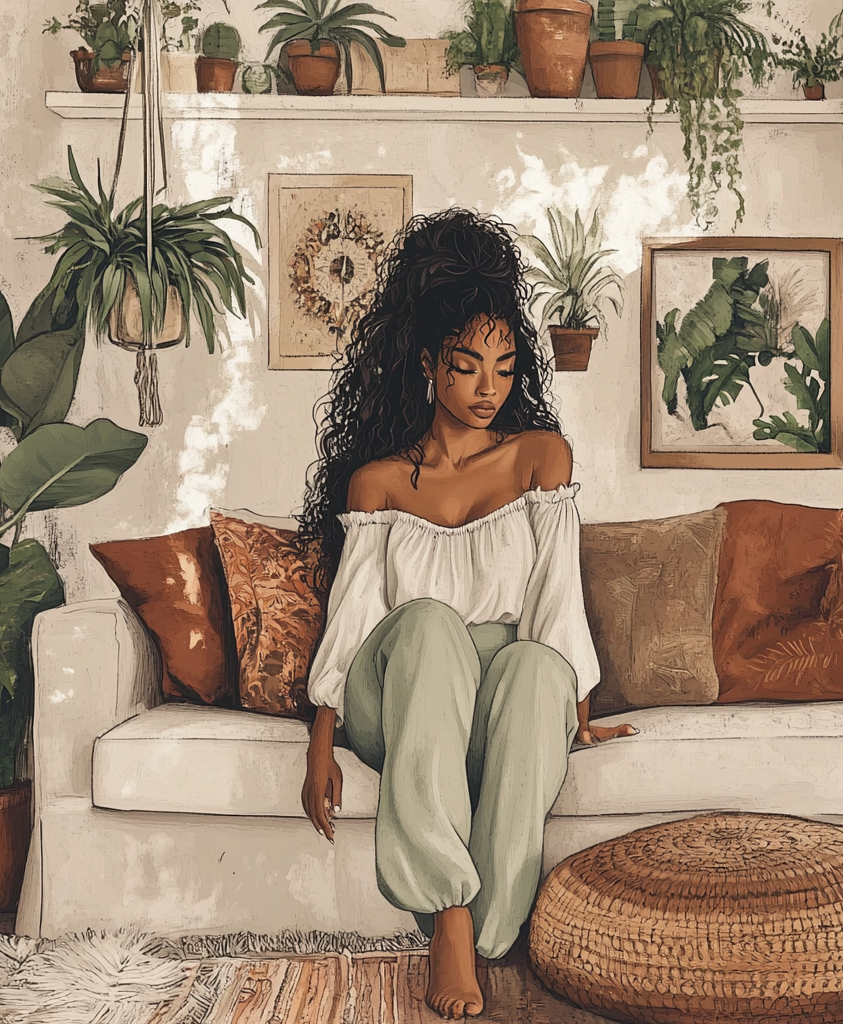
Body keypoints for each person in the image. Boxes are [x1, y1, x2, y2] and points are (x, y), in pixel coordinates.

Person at [297, 207, 636, 1019]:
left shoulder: (539, 457)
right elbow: (353, 620)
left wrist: (575, 708)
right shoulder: (376, 484)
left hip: (490, 693)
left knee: (530, 666)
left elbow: (555, 598)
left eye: (505, 367)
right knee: (428, 624)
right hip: (402, 683)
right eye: (467, 366)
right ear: (427, 364)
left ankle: (489, 933)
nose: (490, 388)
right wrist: (320, 738)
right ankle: (449, 922)